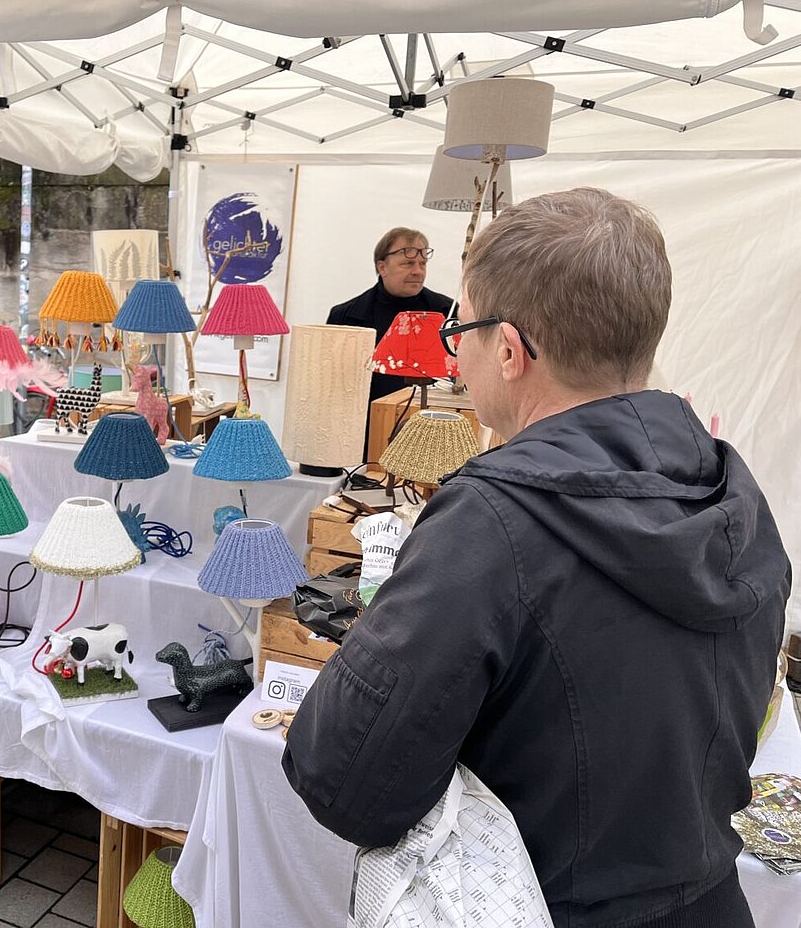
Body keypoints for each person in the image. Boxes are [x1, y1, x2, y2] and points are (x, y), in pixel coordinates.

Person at [285, 188, 789, 926]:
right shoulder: (734, 495)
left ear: (512, 350)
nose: (455, 348)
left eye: (462, 325)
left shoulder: (490, 520)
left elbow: (342, 775)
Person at [327, 227, 454, 454]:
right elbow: (333, 385)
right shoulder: (345, 316)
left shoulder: (446, 313)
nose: (418, 271)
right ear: (381, 267)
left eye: (422, 264)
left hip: (429, 433)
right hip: (363, 434)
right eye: (407, 264)